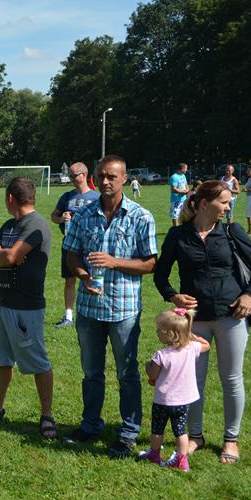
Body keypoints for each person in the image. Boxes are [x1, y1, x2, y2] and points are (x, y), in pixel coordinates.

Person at [154, 180, 251, 464]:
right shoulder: (178, 234)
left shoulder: (231, 231)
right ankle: (195, 436)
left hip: (232, 316)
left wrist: (250, 295)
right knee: (192, 380)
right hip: (194, 320)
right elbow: (160, 274)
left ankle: (231, 439)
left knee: (232, 378)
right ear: (205, 204)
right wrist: (173, 295)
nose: (228, 207)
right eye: (224, 202)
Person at [62, 155, 158, 458]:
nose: (105, 181)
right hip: (89, 308)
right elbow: (71, 254)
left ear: (124, 179)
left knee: (127, 373)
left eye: (112, 177)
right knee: (91, 372)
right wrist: (82, 275)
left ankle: (128, 432)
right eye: (101, 175)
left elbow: (150, 263)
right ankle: (90, 425)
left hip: (124, 310)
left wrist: (114, 262)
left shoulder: (140, 216)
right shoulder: (83, 215)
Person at [0, 177, 56, 437]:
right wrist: (2, 257)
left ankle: (47, 415)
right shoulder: (10, 225)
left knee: (38, 361)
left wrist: (1, 255)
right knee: (1, 360)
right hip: (1, 303)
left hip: (25, 307)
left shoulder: (36, 224)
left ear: (10, 198)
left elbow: (6, 255)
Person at [138, 308, 210, 472]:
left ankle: (154, 454)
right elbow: (207, 345)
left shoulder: (161, 355)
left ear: (170, 334)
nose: (157, 332)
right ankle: (182, 460)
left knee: (157, 429)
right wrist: (192, 336)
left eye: (159, 330)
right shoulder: (191, 348)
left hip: (163, 400)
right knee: (180, 430)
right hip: (183, 401)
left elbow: (153, 374)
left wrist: (148, 366)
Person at [50, 162, 100, 329]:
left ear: (84, 175)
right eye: (70, 176)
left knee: (93, 279)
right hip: (70, 245)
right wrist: (61, 218)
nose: (71, 179)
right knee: (69, 280)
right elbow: (53, 217)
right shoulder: (66, 197)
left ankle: (95, 313)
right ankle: (69, 316)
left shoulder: (96, 197)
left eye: (74, 176)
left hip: (90, 246)